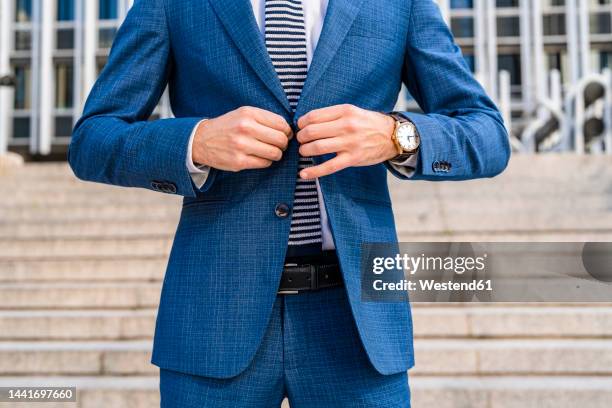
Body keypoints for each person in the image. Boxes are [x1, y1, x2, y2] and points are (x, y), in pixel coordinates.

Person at [68, 0, 510, 406]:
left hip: (357, 326)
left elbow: (488, 134)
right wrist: (196, 141)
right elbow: (93, 139)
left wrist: (396, 134)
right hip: (213, 316)